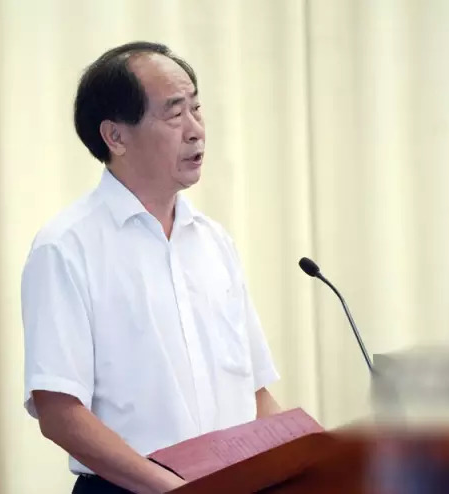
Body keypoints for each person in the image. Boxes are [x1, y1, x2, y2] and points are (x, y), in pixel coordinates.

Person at [21, 41, 282, 494]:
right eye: (175, 113)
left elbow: (255, 393)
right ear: (115, 136)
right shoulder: (66, 247)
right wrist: (172, 488)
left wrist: (308, 463)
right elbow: (59, 411)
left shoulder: (215, 243)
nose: (196, 130)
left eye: (197, 109)